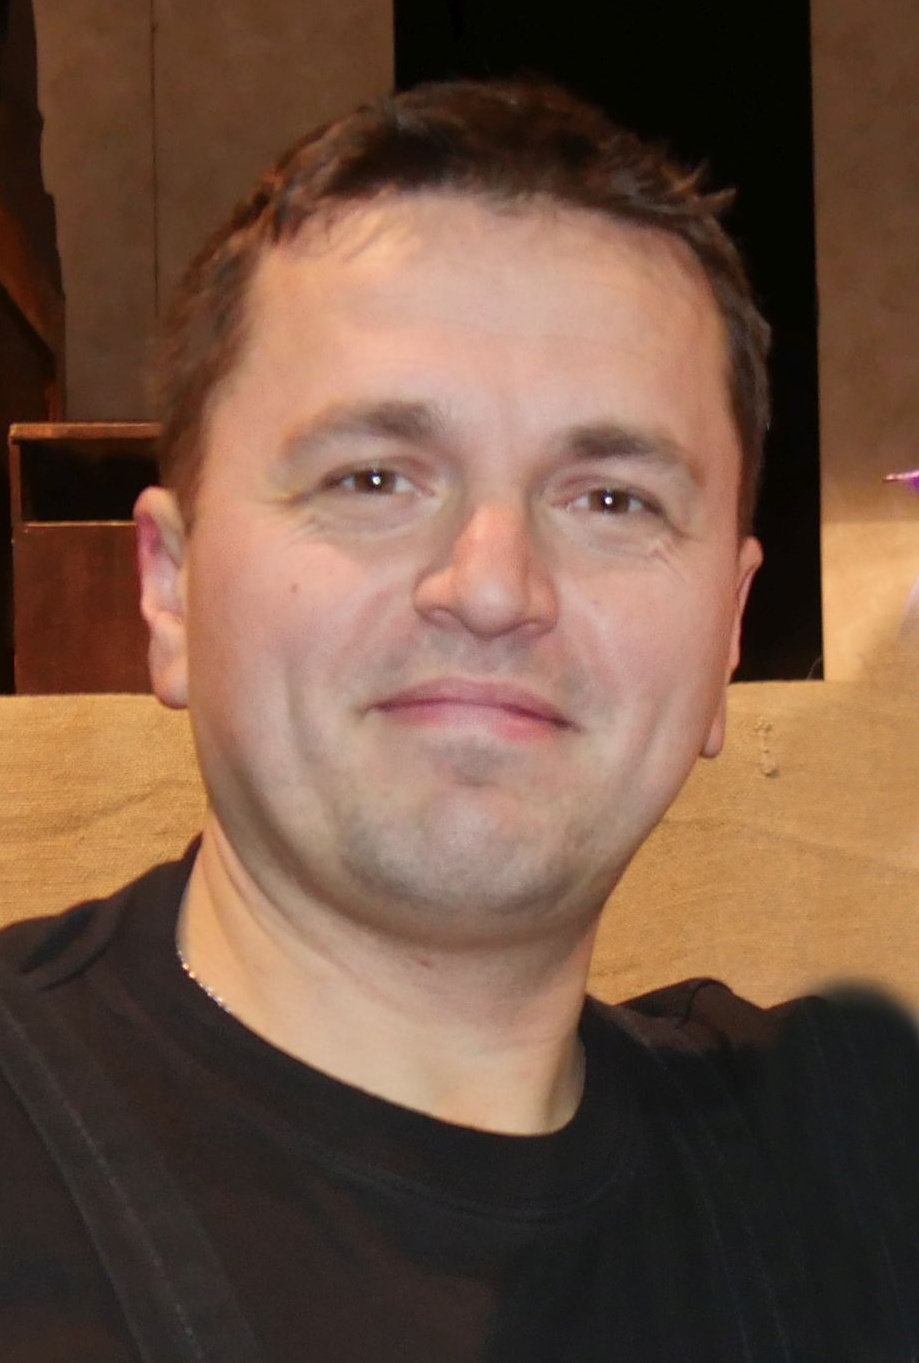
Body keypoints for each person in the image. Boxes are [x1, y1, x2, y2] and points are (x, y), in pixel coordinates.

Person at [2, 78, 918, 1363]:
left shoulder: (845, 1177)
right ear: (170, 588)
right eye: (373, 477)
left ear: (726, 630)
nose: (492, 586)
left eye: (611, 499)